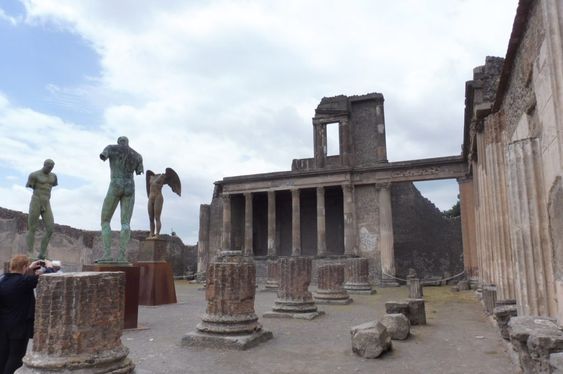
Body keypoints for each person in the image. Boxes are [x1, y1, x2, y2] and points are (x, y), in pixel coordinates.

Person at [0, 255, 55, 374]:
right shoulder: (24, 282)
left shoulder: (3, 279)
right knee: (15, 358)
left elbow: (19, 279)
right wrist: (50, 267)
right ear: (24, 267)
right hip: (18, 328)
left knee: (3, 356)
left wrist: (29, 268)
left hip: (3, 327)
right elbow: (46, 277)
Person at [98, 136, 143, 263]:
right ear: (128, 142)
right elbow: (139, 171)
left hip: (115, 184)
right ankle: (122, 256)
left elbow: (103, 156)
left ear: (119, 142)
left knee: (105, 220)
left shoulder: (111, 148)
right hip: (130, 186)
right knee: (126, 223)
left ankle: (107, 254)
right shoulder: (137, 155)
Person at [25, 159, 57, 260]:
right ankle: (30, 252)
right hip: (36, 201)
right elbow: (30, 186)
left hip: (46, 202)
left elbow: (52, 185)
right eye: (49, 166)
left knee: (50, 228)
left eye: (52, 166)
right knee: (32, 228)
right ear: (44, 165)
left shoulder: (53, 177)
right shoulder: (34, 175)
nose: (50, 168)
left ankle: (42, 253)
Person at [146, 168, 181, 239]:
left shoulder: (162, 176)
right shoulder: (150, 176)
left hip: (158, 197)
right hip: (150, 197)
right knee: (150, 218)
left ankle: (157, 235)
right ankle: (151, 233)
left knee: (157, 217)